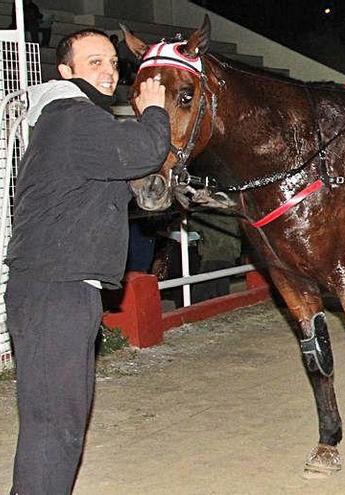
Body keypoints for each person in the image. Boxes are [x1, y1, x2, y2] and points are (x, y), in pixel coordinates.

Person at [4, 28, 169, 493]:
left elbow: (106, 187)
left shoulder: (64, 122)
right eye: (94, 62)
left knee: (48, 420)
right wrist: (153, 109)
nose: (109, 71)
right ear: (66, 72)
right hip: (58, 290)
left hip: (48, 286)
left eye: (113, 63)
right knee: (57, 425)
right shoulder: (73, 116)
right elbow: (145, 150)